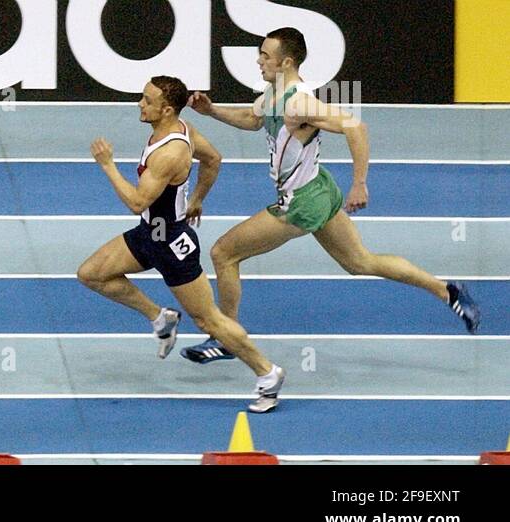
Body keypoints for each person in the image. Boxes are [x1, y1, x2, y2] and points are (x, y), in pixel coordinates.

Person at [181, 27, 481, 364]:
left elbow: (356, 127)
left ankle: (226, 337)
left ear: (287, 62)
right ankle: (448, 290)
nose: (258, 60)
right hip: (319, 188)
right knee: (361, 262)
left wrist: (360, 183)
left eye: (265, 55)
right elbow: (254, 118)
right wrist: (213, 112)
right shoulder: (272, 93)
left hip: (301, 202)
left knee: (224, 253)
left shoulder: (299, 103)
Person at [79, 76, 288, 413]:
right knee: (91, 274)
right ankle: (160, 318)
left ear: (166, 109)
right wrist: (197, 199)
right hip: (150, 234)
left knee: (209, 321)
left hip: (172, 243)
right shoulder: (182, 128)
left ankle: (268, 373)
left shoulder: (170, 152)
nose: (140, 104)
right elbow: (213, 159)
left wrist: (108, 166)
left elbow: (137, 201)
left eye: (147, 100)